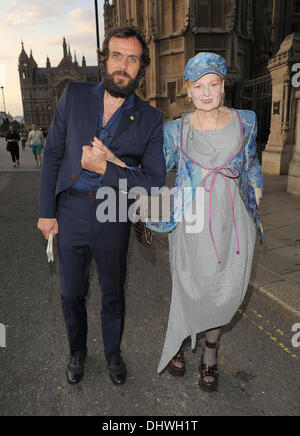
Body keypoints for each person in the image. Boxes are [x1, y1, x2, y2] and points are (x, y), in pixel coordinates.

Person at [37, 26, 166, 386]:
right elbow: (52, 154)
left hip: (114, 214)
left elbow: (154, 183)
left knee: (112, 292)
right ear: (103, 60)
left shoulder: (151, 119)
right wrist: (47, 211)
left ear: (141, 67)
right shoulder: (74, 96)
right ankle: (76, 350)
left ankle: (113, 351)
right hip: (71, 211)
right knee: (70, 292)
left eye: (133, 59)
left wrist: (105, 168)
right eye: (117, 56)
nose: (123, 65)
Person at [147, 53, 264, 392]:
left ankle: (210, 352)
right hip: (193, 222)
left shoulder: (246, 121)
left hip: (234, 221)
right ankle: (182, 341)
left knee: (225, 290)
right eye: (199, 86)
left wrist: (257, 192)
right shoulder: (175, 130)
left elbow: (252, 163)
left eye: (214, 84)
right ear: (188, 91)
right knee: (190, 286)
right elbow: (155, 169)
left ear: (223, 86)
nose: (207, 92)